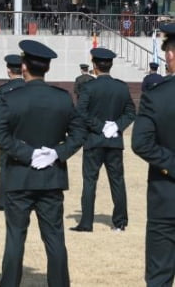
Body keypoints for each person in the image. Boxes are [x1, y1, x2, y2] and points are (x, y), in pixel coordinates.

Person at [0, 39, 85, 287]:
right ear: (48, 69)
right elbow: (78, 134)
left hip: (19, 178)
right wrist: (56, 153)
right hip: (51, 178)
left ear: (23, 66)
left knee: (14, 240)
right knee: (54, 239)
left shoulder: (12, 98)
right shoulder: (62, 98)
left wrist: (26, 153)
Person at [72, 48, 136, 233]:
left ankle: (86, 222)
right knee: (117, 181)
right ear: (111, 64)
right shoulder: (121, 87)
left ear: (94, 65)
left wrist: (101, 126)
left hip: (94, 140)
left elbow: (81, 112)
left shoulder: (88, 87)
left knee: (90, 181)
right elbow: (131, 112)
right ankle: (120, 222)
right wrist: (115, 126)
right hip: (114, 142)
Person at [132, 22, 175, 286]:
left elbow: (141, 143)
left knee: (159, 276)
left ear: (170, 55)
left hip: (165, 196)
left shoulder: (156, 96)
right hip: (164, 200)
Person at [0, 54, 25, 211]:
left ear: (9, 71)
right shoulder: (28, 87)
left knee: (5, 167)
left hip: (8, 133)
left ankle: (3, 201)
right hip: (26, 131)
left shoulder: (3, 90)